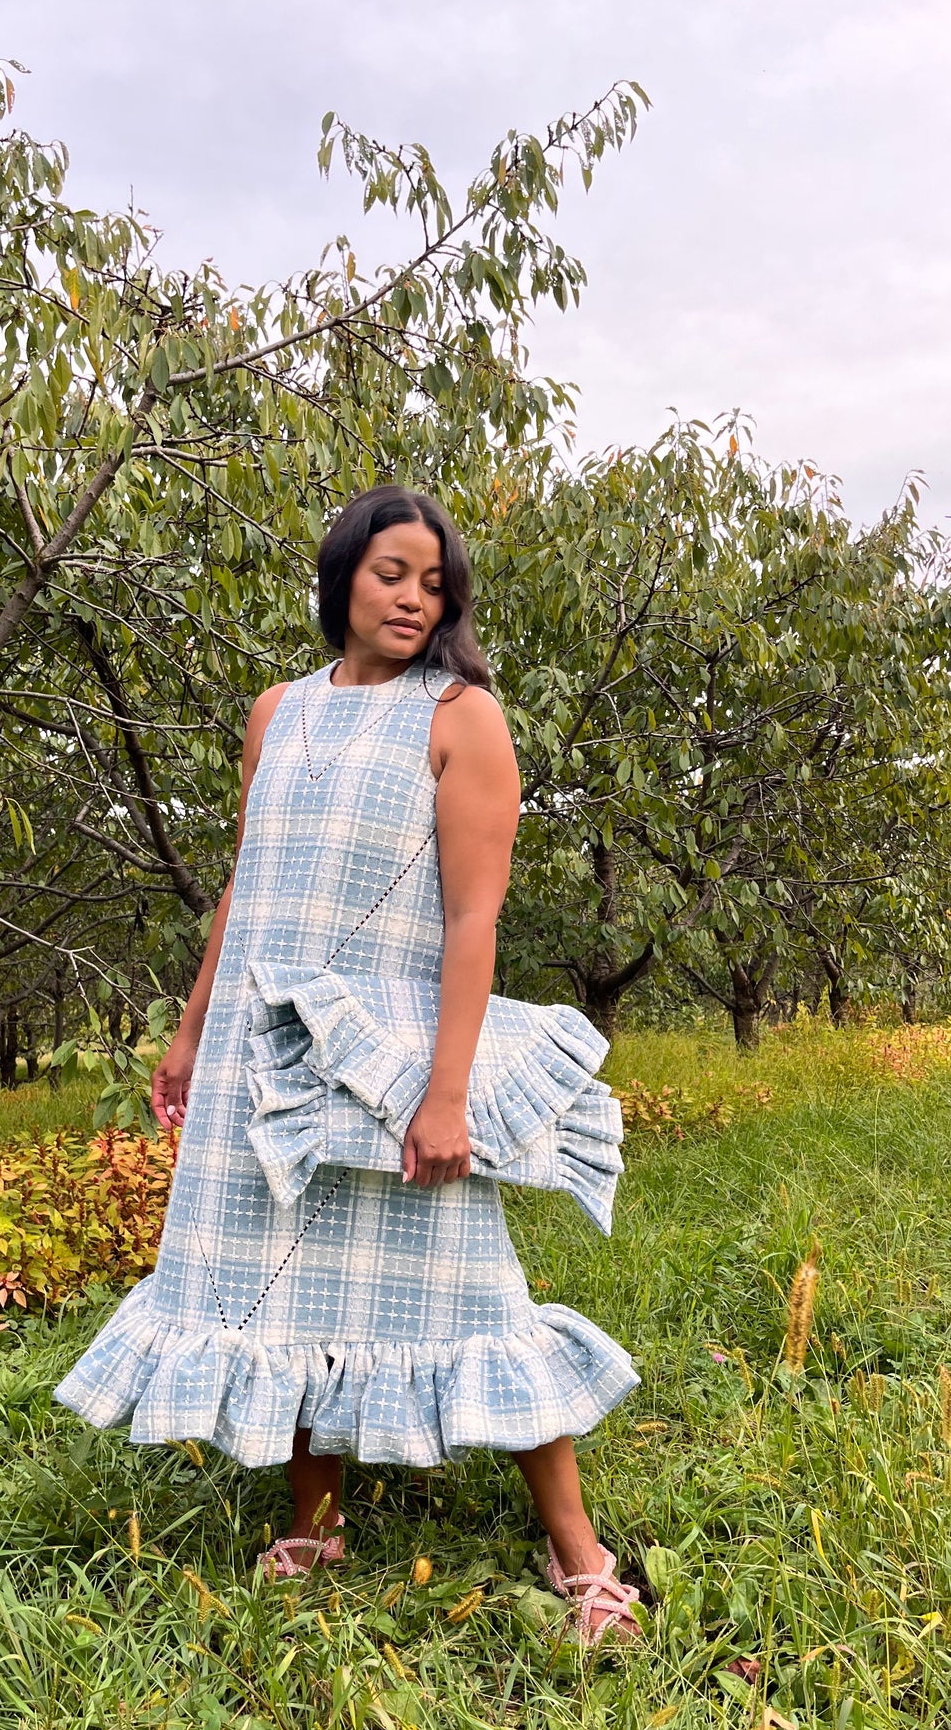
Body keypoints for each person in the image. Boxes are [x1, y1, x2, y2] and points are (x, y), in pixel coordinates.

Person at [54, 486, 642, 1643]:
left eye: (433, 581)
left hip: (382, 1053)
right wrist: (188, 1030)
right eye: (391, 573)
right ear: (341, 578)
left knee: (470, 1283)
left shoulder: (461, 715)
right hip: (255, 1045)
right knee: (283, 1275)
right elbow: (248, 880)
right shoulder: (275, 712)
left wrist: (446, 1092)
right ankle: (314, 1524)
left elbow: (474, 920)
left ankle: (579, 1552)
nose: (414, 598)